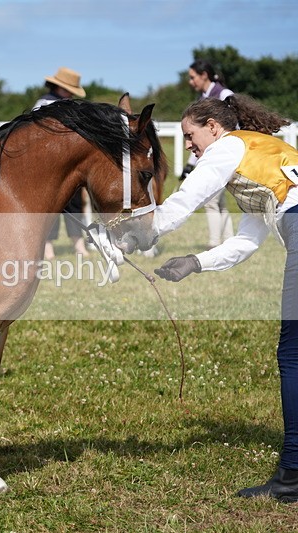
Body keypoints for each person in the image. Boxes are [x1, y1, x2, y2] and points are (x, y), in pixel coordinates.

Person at [152, 95, 298, 502]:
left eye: (190, 135)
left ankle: (292, 476)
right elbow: (248, 241)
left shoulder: (228, 147)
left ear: (213, 127)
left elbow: (185, 201)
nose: (189, 146)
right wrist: (195, 263)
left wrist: (143, 228)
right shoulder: (259, 154)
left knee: (293, 356)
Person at [33, 67, 89, 260]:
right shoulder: (44, 104)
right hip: (49, 162)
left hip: (70, 160)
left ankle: (78, 244)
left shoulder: (73, 106)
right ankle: (47, 246)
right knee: (51, 205)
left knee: (74, 204)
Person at [182, 59, 235, 248]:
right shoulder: (203, 99)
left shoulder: (224, 95)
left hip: (222, 157)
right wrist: (190, 164)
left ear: (203, 75)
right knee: (219, 203)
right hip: (210, 156)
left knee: (210, 201)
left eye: (192, 77)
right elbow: (199, 136)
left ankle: (214, 244)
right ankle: (229, 242)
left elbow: (234, 128)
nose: (190, 81)